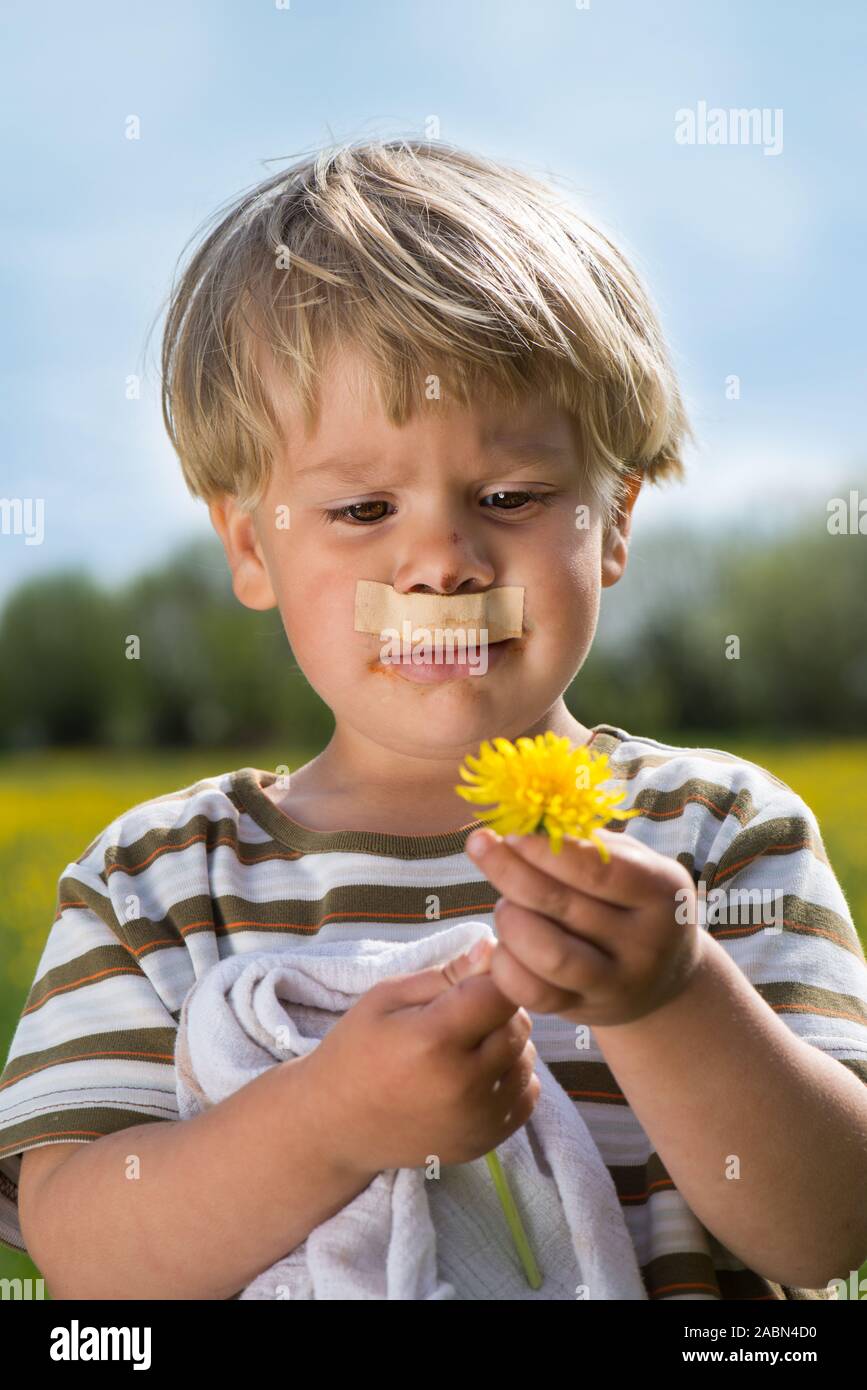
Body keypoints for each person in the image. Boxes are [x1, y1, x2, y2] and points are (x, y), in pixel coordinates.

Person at [2, 138, 866, 1301]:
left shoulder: (713, 834)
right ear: (252, 545)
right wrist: (328, 1124)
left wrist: (673, 999)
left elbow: (828, 1233)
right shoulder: (161, 882)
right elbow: (85, 1254)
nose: (442, 563)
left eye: (509, 498)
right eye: (362, 507)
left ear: (615, 522)